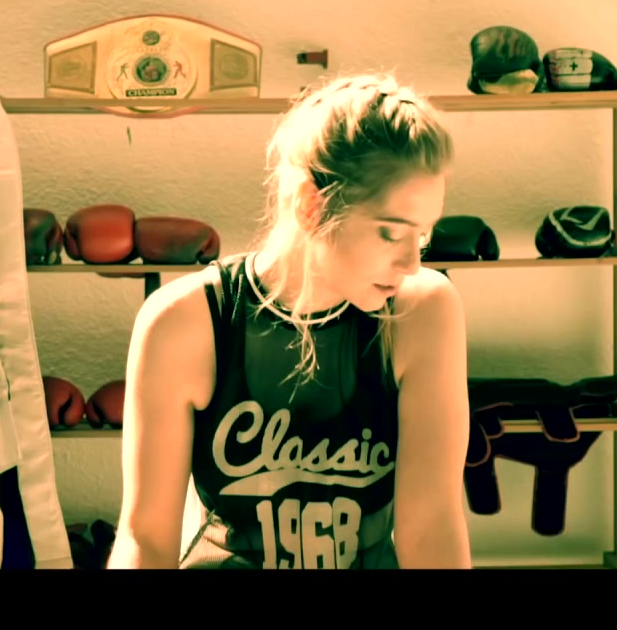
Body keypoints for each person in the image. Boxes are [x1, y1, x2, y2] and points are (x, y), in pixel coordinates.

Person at [107, 72, 473, 569]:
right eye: (391, 233)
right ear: (309, 205)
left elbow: (431, 531)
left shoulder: (422, 310)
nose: (412, 262)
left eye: (423, 235)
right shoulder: (182, 322)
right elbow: (146, 539)